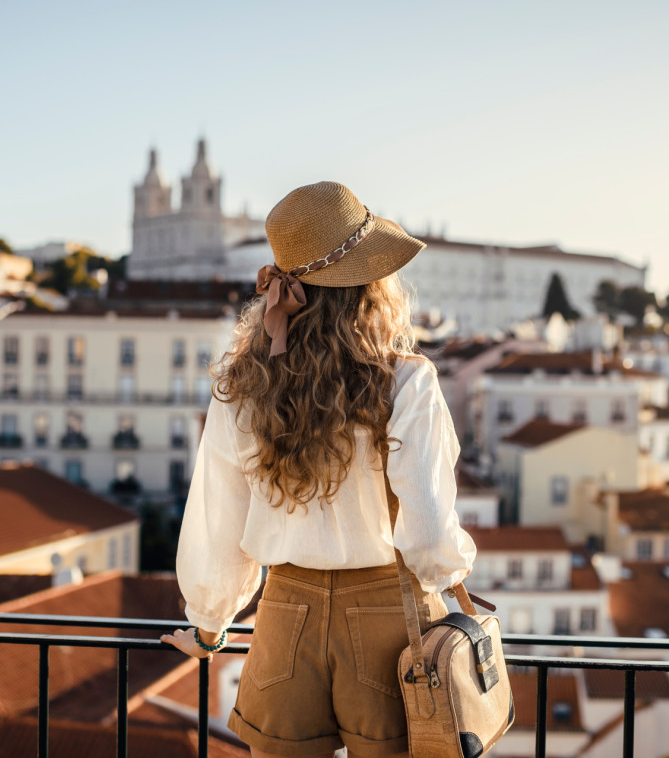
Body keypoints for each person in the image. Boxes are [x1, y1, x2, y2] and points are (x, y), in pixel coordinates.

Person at [161, 181, 476, 758]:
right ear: (372, 286)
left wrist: (209, 625)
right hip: (390, 622)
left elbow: (217, 520)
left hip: (283, 619)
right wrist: (455, 574)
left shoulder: (243, 386)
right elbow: (429, 532)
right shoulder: (407, 380)